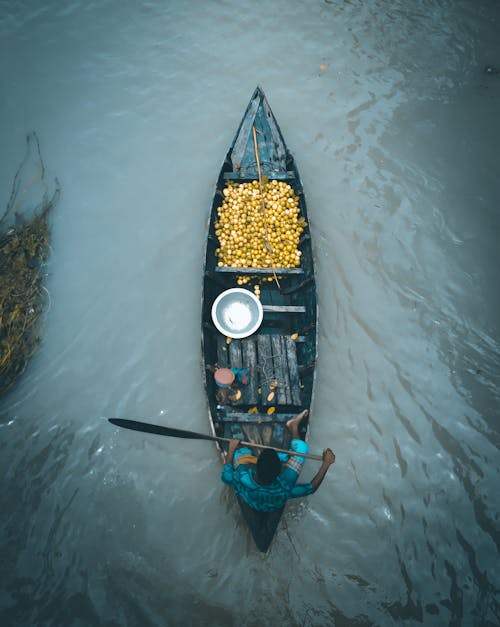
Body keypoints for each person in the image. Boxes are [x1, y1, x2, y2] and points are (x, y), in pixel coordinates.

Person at [221, 410, 335, 512]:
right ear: (279, 472)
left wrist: (231, 449)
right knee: (302, 449)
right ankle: (293, 427)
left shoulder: (242, 478)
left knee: (240, 452)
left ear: (255, 467)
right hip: (274, 502)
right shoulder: (284, 489)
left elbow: (225, 476)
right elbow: (311, 488)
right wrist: (326, 464)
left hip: (252, 500)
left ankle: (291, 426)